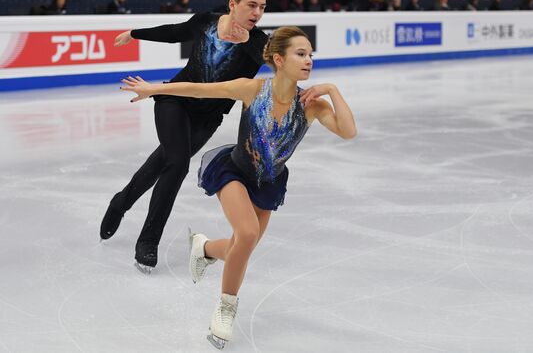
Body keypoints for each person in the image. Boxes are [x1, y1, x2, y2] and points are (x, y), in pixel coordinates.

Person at [120, 26, 356, 349]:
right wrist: (155, 89)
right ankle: (225, 309)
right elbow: (203, 90)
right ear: (279, 59)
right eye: (301, 54)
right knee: (246, 234)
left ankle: (202, 249)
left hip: (269, 183)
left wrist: (331, 89)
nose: (308, 60)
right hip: (234, 171)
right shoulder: (253, 89)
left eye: (310, 55)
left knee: (240, 247)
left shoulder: (310, 105)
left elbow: (348, 131)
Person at [100, 0, 269, 274]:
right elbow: (173, 32)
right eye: (251, 5)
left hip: (208, 118)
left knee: (162, 162)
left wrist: (255, 48)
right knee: (177, 163)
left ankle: (121, 201)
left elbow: (280, 63)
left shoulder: (258, 43)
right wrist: (133, 33)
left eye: (262, 7)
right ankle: (148, 240)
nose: (257, 13)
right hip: (174, 100)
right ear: (233, 4)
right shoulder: (206, 22)